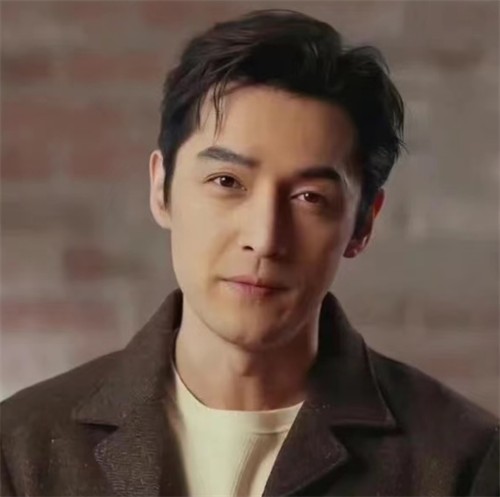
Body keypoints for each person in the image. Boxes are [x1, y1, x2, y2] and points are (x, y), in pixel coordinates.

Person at [1, 8, 498, 497]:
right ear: (161, 188)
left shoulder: (464, 462)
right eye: (226, 181)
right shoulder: (20, 450)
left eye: (310, 197)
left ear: (363, 223)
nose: (264, 239)